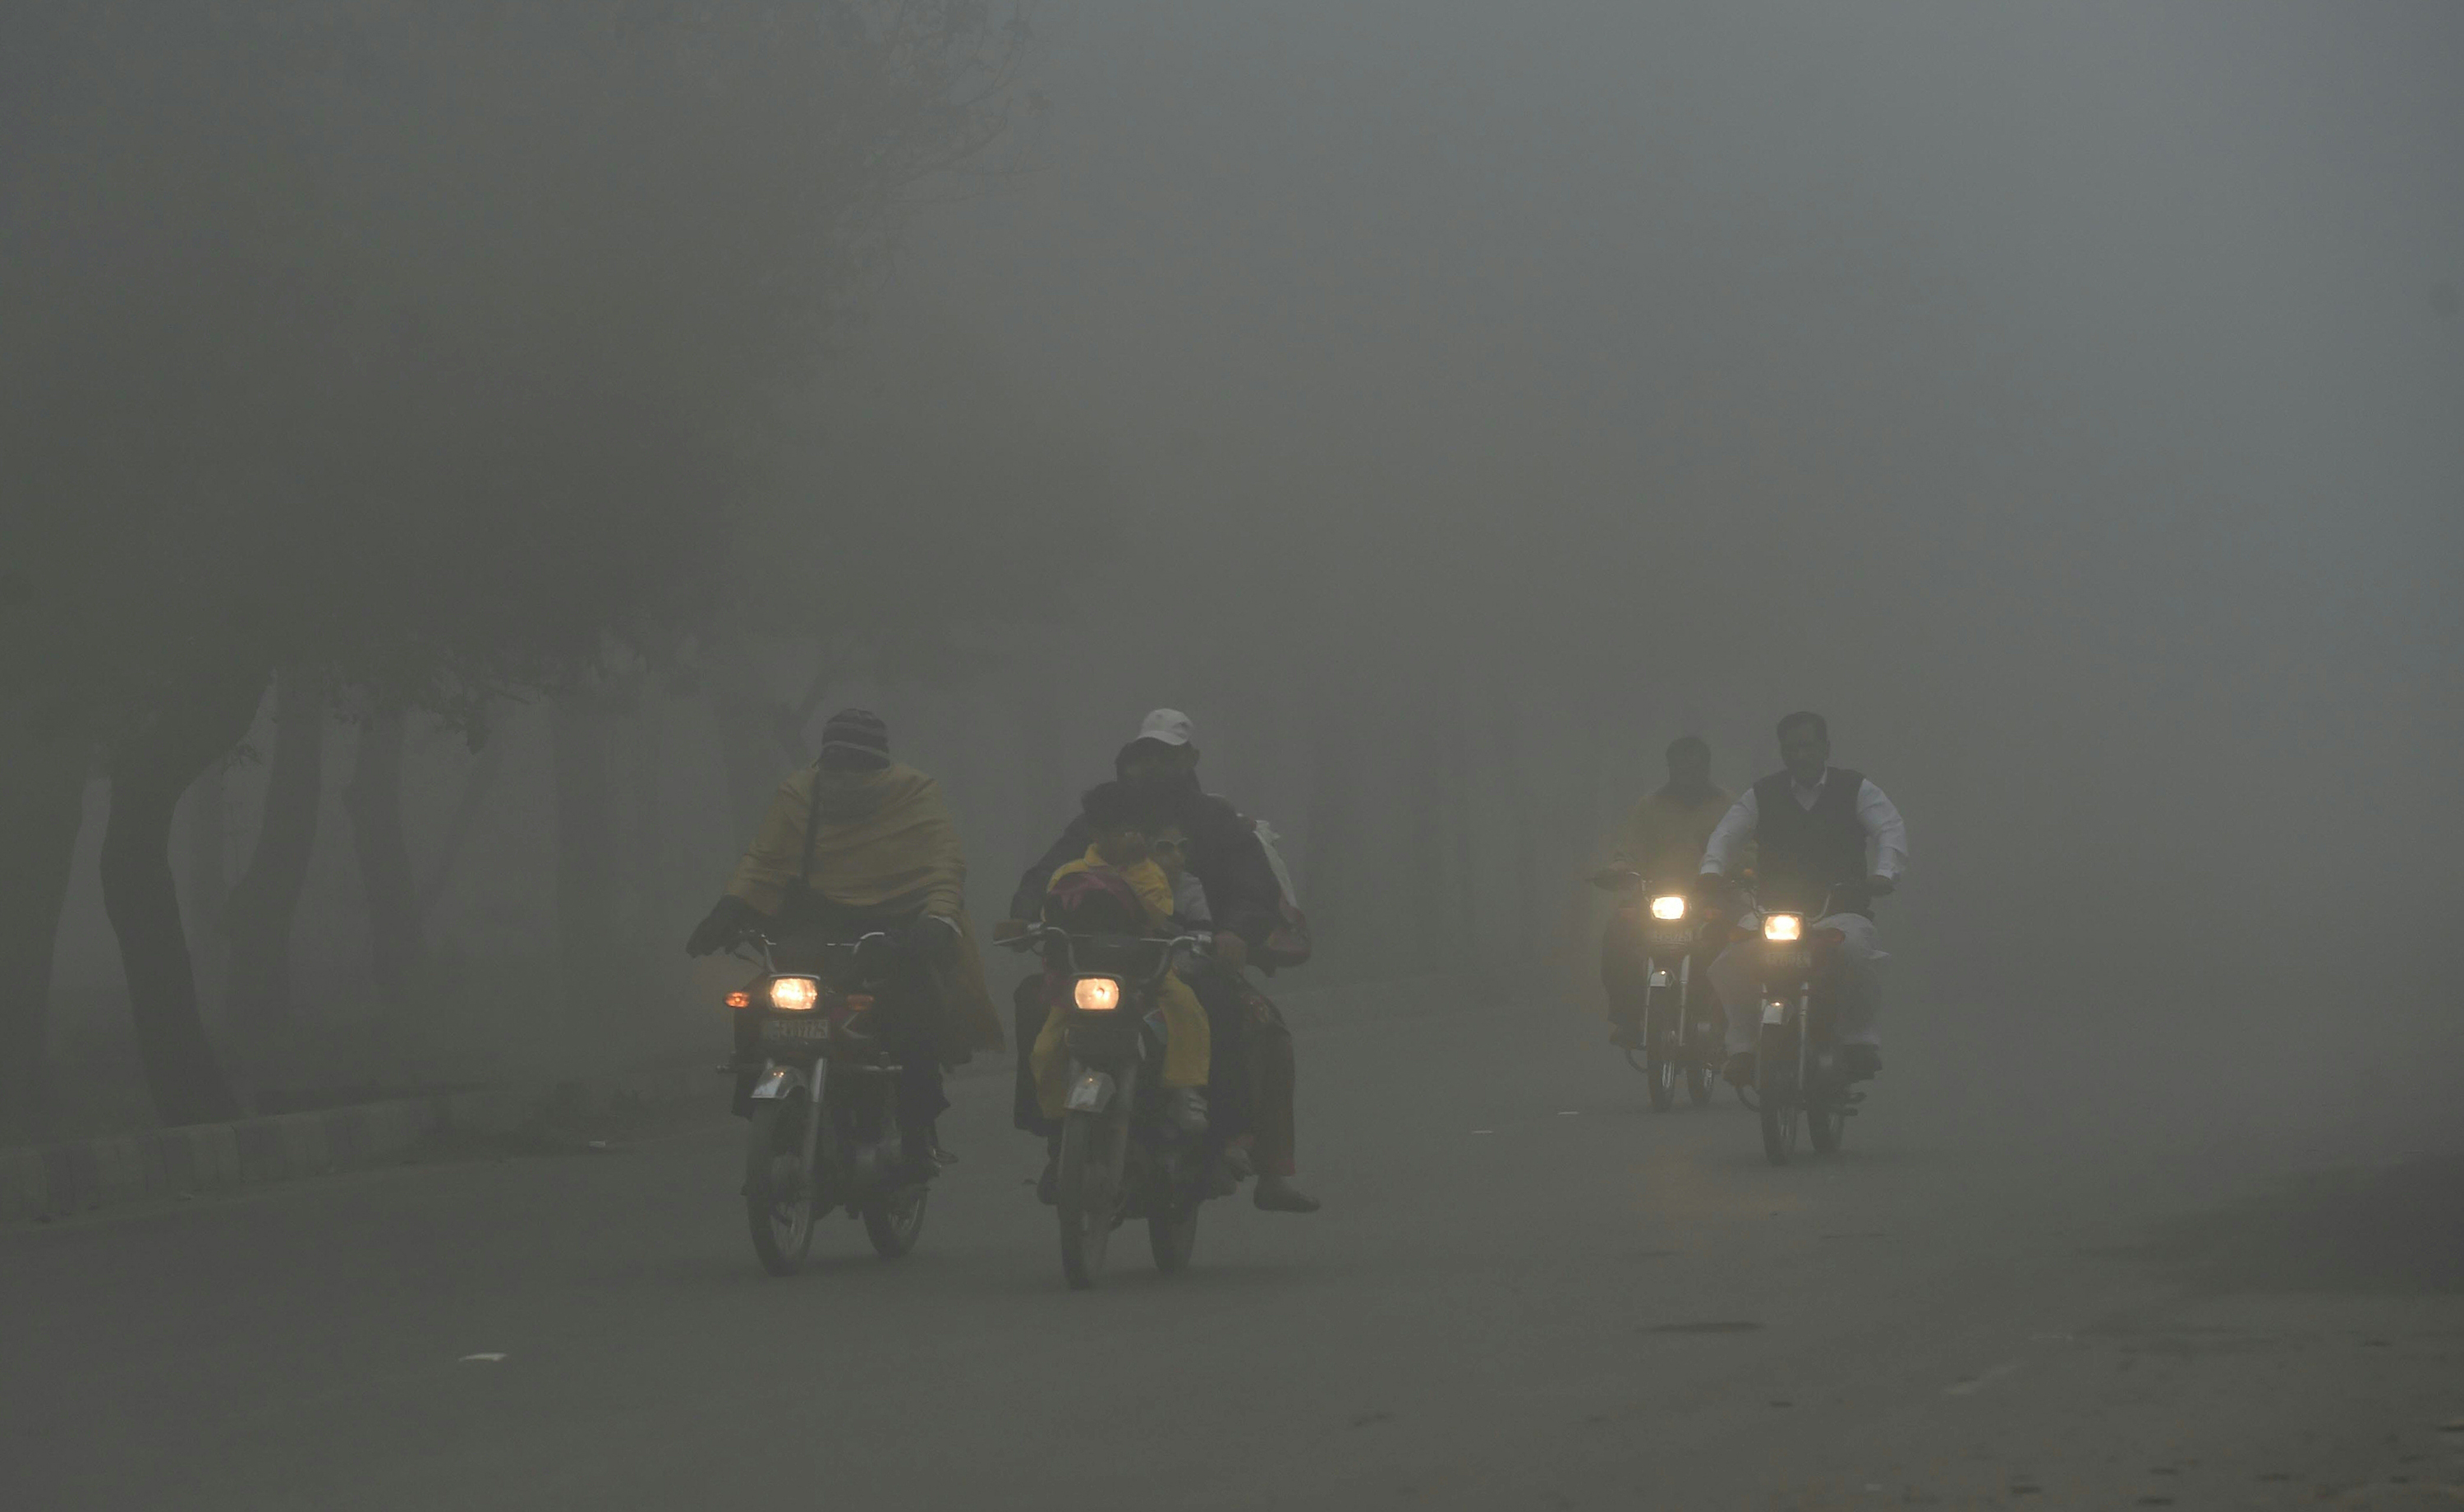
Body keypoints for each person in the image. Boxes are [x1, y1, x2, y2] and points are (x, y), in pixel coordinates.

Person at [1006, 708, 1320, 1213]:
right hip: (1095, 963)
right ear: (1127, 762)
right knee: (1031, 1001)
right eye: (1143, 757)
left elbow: (1251, 886)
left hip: (1190, 958)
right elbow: (1047, 876)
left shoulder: (1215, 821)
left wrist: (1235, 932)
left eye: (1164, 757)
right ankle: (1056, 1140)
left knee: (1235, 1015)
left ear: (1187, 760)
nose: (1152, 769)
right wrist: (1025, 918)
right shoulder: (1099, 820)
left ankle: (1226, 1144)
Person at [686, 708, 1004, 1179]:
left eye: (857, 764)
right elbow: (764, 861)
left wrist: (937, 919)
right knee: (759, 1001)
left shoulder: (915, 793)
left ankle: (916, 1132)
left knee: (912, 1011)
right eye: (836, 762)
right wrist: (729, 909)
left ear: (879, 766)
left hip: (896, 920)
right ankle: (763, 1096)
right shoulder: (799, 794)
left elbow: (943, 864)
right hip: (817, 917)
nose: (845, 775)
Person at [1699, 711, 1906, 1087]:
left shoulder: (1855, 789)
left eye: (1807, 745)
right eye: (1790, 748)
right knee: (1728, 962)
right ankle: (1742, 1046)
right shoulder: (1763, 794)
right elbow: (1727, 834)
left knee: (1859, 952)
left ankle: (1860, 1040)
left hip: (1840, 912)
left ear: (1824, 748)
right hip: (1770, 912)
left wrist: (1884, 874)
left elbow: (1889, 828)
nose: (1799, 754)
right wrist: (1711, 871)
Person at [1027, 782, 1212, 1136]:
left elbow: (1159, 913)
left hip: (1146, 972)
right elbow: (1052, 921)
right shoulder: (1069, 874)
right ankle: (1054, 1115)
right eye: (1121, 832)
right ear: (1096, 834)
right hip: (1083, 977)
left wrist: (1122, 885)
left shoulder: (1150, 874)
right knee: (1046, 1045)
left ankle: (1185, 1088)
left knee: (1187, 1008)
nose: (1133, 840)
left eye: (1137, 831)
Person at [1599, 735, 1735, 1050]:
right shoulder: (1650, 806)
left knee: (1745, 943)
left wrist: (1741, 872)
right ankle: (1629, 1017)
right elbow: (1629, 850)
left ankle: (1733, 1020)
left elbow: (1748, 847)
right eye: (1681, 767)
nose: (1688, 773)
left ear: (1707, 768)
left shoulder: (1728, 805)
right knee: (1617, 935)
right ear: (1670, 768)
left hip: (1714, 896)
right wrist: (1618, 869)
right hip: (1654, 898)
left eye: (1695, 766)